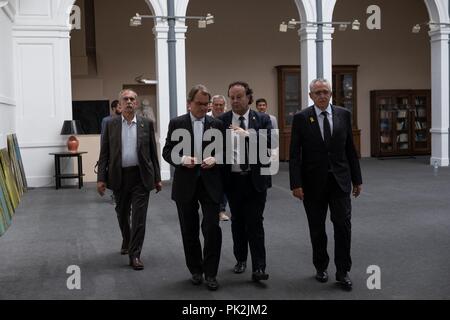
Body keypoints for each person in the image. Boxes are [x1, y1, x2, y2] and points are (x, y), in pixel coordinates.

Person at [289, 78, 362, 291]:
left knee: (343, 226)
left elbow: (350, 149)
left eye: (325, 92)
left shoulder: (343, 114)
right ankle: (321, 266)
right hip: (312, 183)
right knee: (317, 228)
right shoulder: (302, 118)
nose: (322, 95)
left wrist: (357, 179)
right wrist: (296, 183)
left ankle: (343, 271)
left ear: (331, 94)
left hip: (340, 181)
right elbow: (294, 154)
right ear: (310, 96)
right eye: (318, 92)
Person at [163, 84, 225, 291]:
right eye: (199, 104)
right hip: (185, 184)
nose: (203, 108)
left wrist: (216, 158)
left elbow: (225, 152)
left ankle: (211, 273)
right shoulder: (177, 123)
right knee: (189, 230)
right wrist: (181, 159)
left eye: (206, 104)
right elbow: (167, 151)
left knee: (212, 229)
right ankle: (196, 270)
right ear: (189, 103)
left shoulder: (216, 124)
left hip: (211, 184)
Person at [97, 89, 162, 271]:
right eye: (125, 99)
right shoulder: (111, 125)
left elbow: (152, 154)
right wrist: (101, 179)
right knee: (122, 213)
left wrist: (157, 178)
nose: (129, 102)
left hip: (141, 177)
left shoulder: (145, 124)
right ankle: (127, 238)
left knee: (139, 217)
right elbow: (104, 154)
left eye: (132, 99)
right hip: (119, 176)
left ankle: (135, 255)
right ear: (119, 103)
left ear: (137, 102)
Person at [218, 81, 272, 282]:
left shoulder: (263, 119)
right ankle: (240, 259)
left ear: (249, 97)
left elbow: (270, 142)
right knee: (238, 222)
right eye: (231, 97)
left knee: (256, 223)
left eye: (239, 96)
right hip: (232, 181)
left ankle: (259, 267)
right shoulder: (221, 120)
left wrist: (247, 134)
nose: (235, 100)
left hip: (255, 180)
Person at [207, 95, 230, 222]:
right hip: (208, 156)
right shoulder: (206, 118)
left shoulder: (228, 119)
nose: (219, 107)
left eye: (221, 105)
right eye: (216, 104)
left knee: (224, 185)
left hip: (224, 157)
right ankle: (212, 208)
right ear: (211, 105)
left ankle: (221, 210)